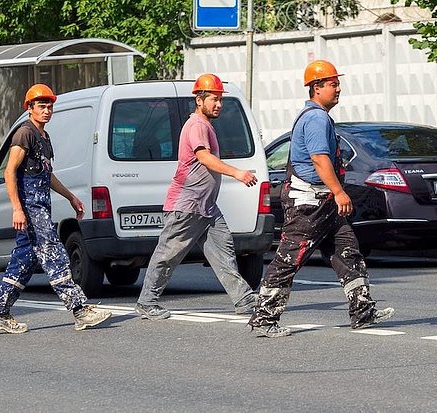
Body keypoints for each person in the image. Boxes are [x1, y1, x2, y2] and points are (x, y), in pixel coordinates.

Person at [248, 60, 395, 338]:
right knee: (290, 258)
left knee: (347, 252)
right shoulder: (316, 118)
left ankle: (362, 311)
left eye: (337, 83)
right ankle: (264, 317)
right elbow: (318, 159)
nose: (338, 89)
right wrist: (339, 191)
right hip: (310, 203)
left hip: (323, 203)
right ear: (316, 88)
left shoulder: (318, 116)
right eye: (332, 84)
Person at [135, 73, 259, 320]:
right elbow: (204, 157)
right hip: (187, 205)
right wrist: (237, 172)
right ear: (199, 100)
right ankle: (147, 302)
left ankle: (244, 300)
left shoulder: (205, 125)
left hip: (207, 207)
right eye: (214, 99)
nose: (219, 104)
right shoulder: (197, 125)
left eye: (220, 99)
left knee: (224, 253)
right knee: (168, 254)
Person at [0, 84, 112, 334]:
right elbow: (9, 172)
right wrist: (17, 209)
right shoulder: (24, 133)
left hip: (40, 207)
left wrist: (70, 196)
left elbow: (47, 175)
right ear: (29, 108)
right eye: (41, 106)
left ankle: (0, 313)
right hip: (30, 208)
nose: (47, 110)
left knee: (24, 260)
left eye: (49, 106)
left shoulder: (44, 137)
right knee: (55, 254)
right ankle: (80, 309)